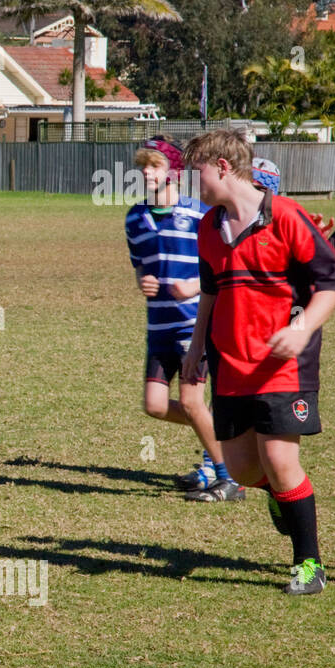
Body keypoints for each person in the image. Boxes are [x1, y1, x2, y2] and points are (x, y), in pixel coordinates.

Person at [181, 130, 335, 595]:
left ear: (223, 167)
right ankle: (277, 492)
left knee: (279, 457)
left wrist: (301, 328)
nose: (197, 184)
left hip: (282, 366)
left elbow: (331, 282)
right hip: (229, 363)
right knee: (244, 470)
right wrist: (196, 348)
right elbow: (211, 291)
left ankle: (309, 564)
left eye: (199, 172)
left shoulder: (286, 216)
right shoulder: (208, 227)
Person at [124, 137, 241, 501]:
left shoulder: (199, 215)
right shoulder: (134, 218)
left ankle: (228, 477)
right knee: (155, 405)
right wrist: (141, 280)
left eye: (155, 165)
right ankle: (215, 432)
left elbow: (224, 262)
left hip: (195, 324)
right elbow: (142, 267)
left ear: (173, 172)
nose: (146, 171)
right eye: (143, 164)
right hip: (158, 327)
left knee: (191, 402)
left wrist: (194, 284)